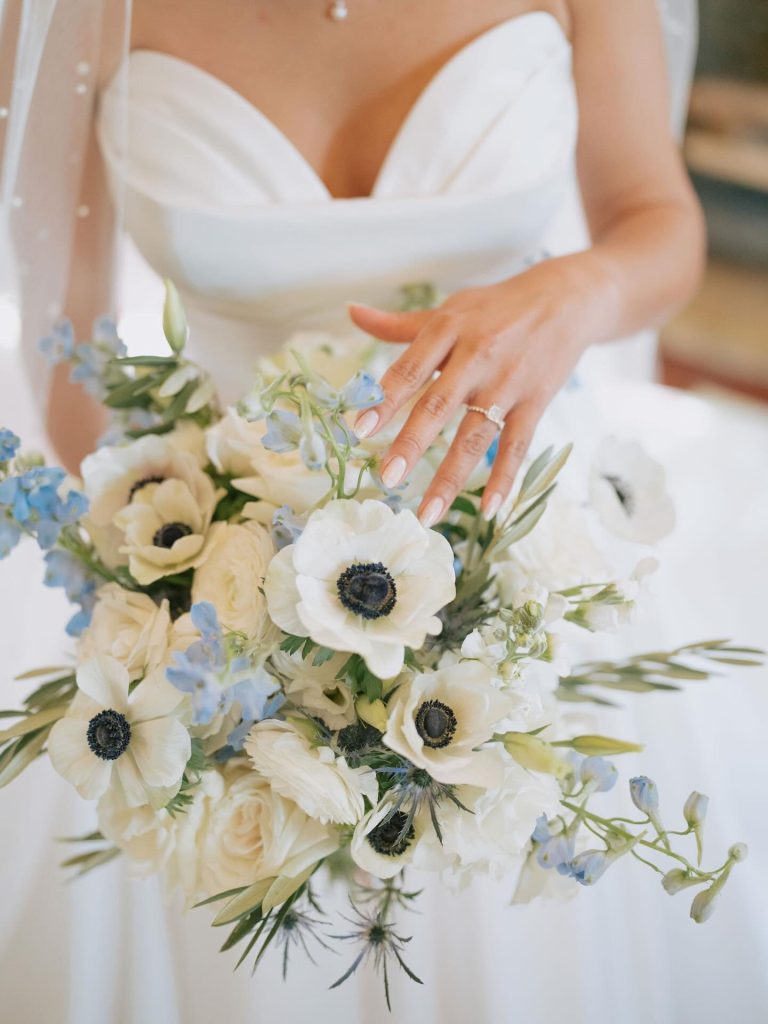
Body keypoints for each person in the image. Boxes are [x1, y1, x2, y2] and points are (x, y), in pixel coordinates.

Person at [2, 2, 768, 1022]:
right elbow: (67, 324)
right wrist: (174, 591)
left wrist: (573, 291)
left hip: (524, 562)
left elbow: (656, 218)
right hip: (222, 605)